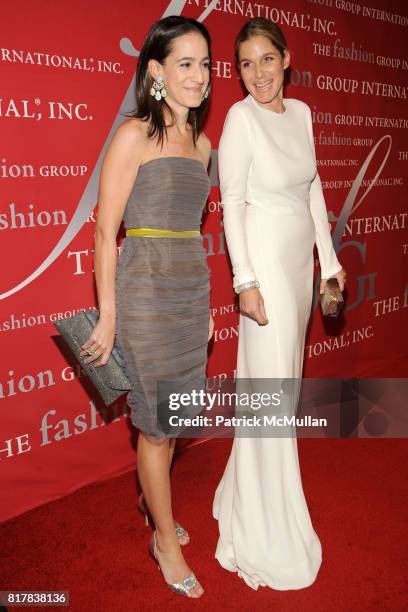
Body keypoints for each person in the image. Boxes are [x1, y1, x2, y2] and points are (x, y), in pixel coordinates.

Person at [80, 16, 213, 599]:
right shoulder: (134, 134)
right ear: (155, 71)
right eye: (185, 64)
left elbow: (193, 230)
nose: (199, 76)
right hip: (146, 296)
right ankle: (165, 540)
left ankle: (151, 501)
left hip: (191, 291)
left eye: (205, 64)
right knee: (157, 431)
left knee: (178, 419)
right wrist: (109, 316)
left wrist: (206, 306)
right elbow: (106, 228)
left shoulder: (204, 145)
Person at [213, 18, 346, 590]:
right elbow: (233, 203)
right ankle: (266, 525)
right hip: (264, 266)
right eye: (246, 64)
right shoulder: (240, 119)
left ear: (286, 59)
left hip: (299, 269)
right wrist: (245, 281)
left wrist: (330, 263)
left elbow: (312, 188)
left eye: (267, 59)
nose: (259, 73)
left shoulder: (303, 115)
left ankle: (244, 489)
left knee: (282, 387)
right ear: (237, 72)